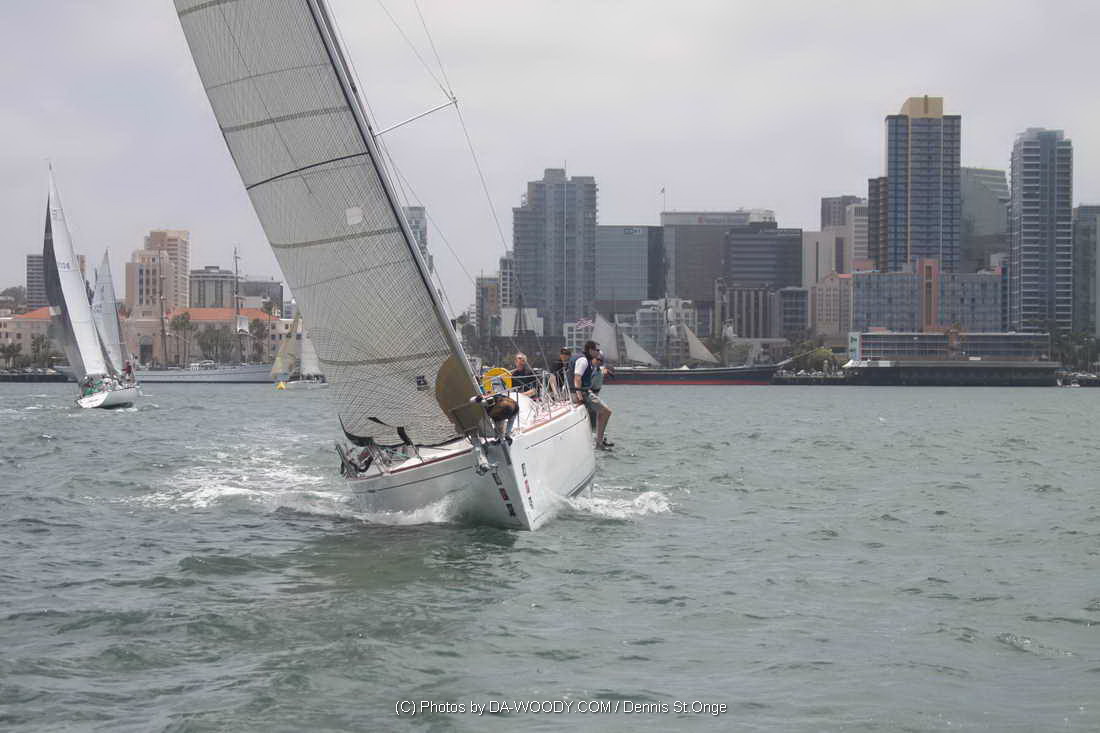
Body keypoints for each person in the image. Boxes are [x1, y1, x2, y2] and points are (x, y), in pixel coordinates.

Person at [572, 340, 613, 450]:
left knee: (597, 417)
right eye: (596, 350)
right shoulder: (584, 361)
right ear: (590, 350)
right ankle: (598, 442)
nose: (598, 353)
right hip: (584, 393)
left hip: (588, 393)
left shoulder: (589, 363)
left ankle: (598, 440)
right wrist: (580, 397)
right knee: (605, 412)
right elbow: (577, 378)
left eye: (601, 360)